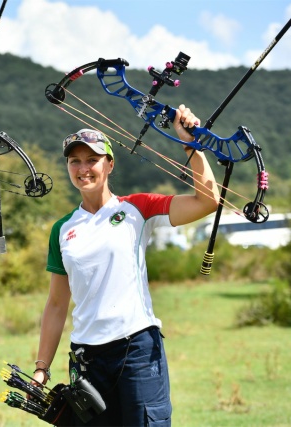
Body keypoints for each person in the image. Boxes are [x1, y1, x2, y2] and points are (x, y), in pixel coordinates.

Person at [32, 105, 219, 426]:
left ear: (110, 164)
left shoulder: (137, 208)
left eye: (92, 159)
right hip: (87, 358)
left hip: (137, 350)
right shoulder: (62, 229)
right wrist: (41, 367)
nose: (83, 168)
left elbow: (207, 201)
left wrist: (191, 147)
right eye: (74, 161)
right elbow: (56, 304)